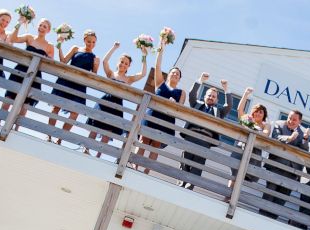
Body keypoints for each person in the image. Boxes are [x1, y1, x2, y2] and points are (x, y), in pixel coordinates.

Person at [86, 42, 147, 157]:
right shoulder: (111, 74)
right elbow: (105, 61)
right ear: (118, 62)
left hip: (117, 105)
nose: (123, 64)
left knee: (107, 132)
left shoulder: (129, 79)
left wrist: (144, 56)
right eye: (122, 62)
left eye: (126, 63)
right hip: (104, 102)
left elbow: (143, 74)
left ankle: (98, 155)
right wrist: (114, 48)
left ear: (129, 66)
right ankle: (86, 149)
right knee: (94, 127)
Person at [135, 37, 185, 173]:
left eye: (177, 74)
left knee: (156, 144)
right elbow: (157, 66)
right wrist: (161, 47)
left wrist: (176, 104)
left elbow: (180, 107)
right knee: (143, 140)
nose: (175, 74)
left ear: (179, 78)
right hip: (153, 115)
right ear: (168, 75)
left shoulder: (181, 92)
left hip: (166, 120)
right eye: (173, 72)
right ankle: (135, 165)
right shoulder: (160, 83)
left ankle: (146, 170)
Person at [179, 73, 232, 190]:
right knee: (185, 160)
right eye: (209, 95)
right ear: (204, 96)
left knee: (198, 163)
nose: (211, 97)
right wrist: (201, 80)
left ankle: (190, 185)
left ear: (217, 99)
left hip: (205, 141)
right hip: (191, 136)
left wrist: (226, 89)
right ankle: (181, 182)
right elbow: (192, 94)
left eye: (213, 96)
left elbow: (229, 105)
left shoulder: (218, 111)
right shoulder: (196, 104)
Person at [0, 18, 54, 128]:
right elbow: (13, 39)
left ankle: (17, 127)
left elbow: (50, 62)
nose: (41, 28)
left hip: (35, 75)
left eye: (44, 27)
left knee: (26, 103)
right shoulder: (29, 37)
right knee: (10, 96)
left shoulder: (49, 46)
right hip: (21, 69)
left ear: (48, 30)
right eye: (40, 25)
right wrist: (19, 23)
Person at [48, 30, 100, 144]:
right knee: (55, 107)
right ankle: (49, 135)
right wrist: (59, 46)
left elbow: (94, 76)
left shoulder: (96, 58)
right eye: (89, 41)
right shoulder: (75, 49)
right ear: (84, 40)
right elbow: (63, 61)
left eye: (93, 42)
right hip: (65, 80)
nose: (91, 44)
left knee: (74, 113)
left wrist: (95, 67)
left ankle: (60, 139)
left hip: (79, 86)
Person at [259, 109, 310, 219]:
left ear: (299, 122)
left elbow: (304, 150)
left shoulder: (302, 133)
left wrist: (306, 139)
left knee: (282, 198)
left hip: (292, 172)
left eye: (294, 120)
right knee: (269, 193)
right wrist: (289, 138)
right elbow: (276, 138)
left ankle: (272, 221)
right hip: (276, 166)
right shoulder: (279, 124)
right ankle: (262, 217)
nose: (291, 121)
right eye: (290, 118)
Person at [230, 87, 270, 187]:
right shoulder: (247, 119)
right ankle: (227, 196)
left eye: (261, 112)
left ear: (264, 114)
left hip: (254, 153)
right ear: (253, 112)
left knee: (245, 177)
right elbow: (240, 110)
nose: (258, 113)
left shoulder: (266, 125)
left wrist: (252, 127)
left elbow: (265, 134)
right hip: (241, 148)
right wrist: (245, 95)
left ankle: (233, 197)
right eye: (256, 111)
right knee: (235, 174)